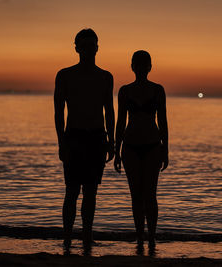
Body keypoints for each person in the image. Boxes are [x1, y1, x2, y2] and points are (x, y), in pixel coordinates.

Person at [54, 28, 114, 253]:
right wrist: (61, 142)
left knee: (91, 191)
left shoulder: (105, 76)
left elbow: (109, 109)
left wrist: (112, 141)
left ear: (97, 48)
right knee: (71, 190)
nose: (89, 49)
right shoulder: (65, 75)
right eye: (85, 46)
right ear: (77, 48)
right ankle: (68, 238)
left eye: (92, 45)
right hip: (74, 137)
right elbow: (58, 111)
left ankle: (87, 236)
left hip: (97, 137)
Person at [114, 50, 169, 253]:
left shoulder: (158, 90)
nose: (141, 67)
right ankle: (139, 238)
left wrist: (166, 150)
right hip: (130, 147)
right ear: (132, 66)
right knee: (136, 195)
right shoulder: (125, 91)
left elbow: (163, 121)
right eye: (137, 63)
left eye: (145, 63)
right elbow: (120, 122)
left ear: (150, 66)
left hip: (153, 145)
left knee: (150, 195)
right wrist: (116, 150)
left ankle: (152, 238)